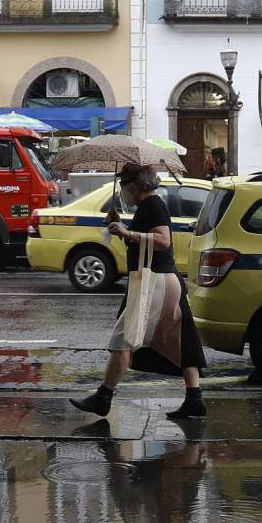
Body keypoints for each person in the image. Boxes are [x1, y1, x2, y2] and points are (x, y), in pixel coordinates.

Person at [71, 164, 208, 419]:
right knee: (179, 341)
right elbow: (144, 239)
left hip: (154, 281)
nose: (123, 190)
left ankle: (103, 397)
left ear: (135, 185)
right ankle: (194, 398)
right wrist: (121, 227)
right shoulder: (149, 206)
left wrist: (128, 232)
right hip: (163, 280)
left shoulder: (153, 205)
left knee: (122, 341)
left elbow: (163, 240)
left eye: (124, 185)